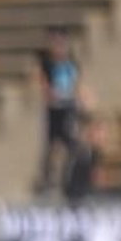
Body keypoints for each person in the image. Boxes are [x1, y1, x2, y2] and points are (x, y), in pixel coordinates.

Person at [37, 26, 82, 191]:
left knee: (71, 144)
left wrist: (75, 99)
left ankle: (67, 178)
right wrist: (51, 95)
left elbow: (76, 84)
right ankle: (48, 178)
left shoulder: (71, 64)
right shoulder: (48, 64)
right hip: (55, 109)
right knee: (53, 144)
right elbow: (44, 85)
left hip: (68, 108)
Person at [62, 109, 106, 205]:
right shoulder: (81, 152)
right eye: (99, 132)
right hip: (76, 198)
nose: (103, 136)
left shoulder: (94, 153)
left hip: (85, 197)